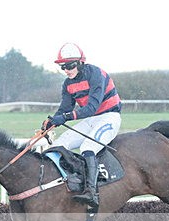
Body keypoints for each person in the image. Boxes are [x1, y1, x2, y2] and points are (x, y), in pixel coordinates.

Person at [43, 43, 122, 209]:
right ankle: (67, 183)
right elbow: (65, 109)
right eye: (63, 67)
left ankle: (91, 192)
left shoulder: (96, 74)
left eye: (70, 65)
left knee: (88, 147)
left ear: (80, 63)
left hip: (109, 117)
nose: (67, 70)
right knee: (58, 146)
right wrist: (52, 122)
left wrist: (65, 117)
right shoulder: (67, 84)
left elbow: (91, 107)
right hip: (92, 119)